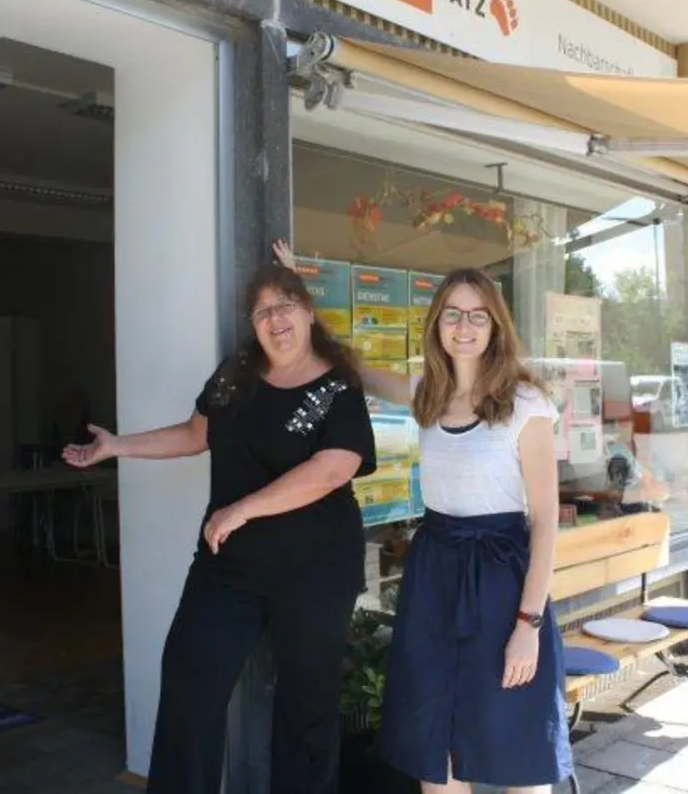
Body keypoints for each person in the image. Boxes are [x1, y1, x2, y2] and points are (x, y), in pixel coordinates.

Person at [62, 264, 377, 794]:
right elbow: (194, 433)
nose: (276, 319)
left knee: (306, 708)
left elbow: (333, 469)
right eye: (264, 311)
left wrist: (242, 509)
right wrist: (118, 446)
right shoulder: (236, 374)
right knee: (190, 683)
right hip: (228, 567)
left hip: (315, 573)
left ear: (308, 312)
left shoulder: (337, 385)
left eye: (286, 305)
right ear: (253, 323)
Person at [272, 240, 570, 793]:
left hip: (502, 580)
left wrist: (527, 626)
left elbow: (546, 521)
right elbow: (352, 362)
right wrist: (299, 293)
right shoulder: (425, 395)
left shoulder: (526, 404)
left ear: (495, 326)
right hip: (434, 574)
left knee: (514, 740)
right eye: (452, 314)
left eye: (477, 315)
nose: (464, 326)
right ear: (436, 325)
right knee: (437, 745)